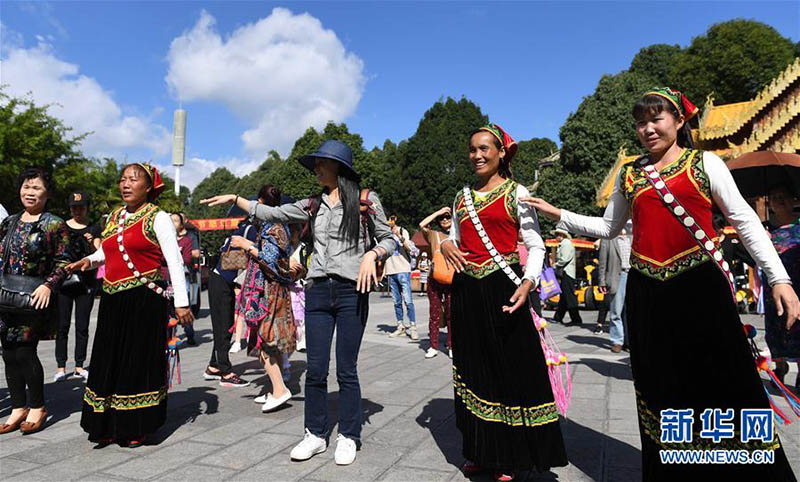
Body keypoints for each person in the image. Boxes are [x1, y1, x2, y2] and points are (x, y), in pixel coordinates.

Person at [522, 87, 800, 480]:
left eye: (657, 119)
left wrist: (779, 279)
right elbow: (608, 226)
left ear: (680, 121)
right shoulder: (631, 173)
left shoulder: (705, 164)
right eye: (641, 122)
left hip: (701, 290)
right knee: (661, 391)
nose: (648, 129)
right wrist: (558, 214)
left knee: (725, 387)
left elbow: (746, 222)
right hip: (647, 293)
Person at [201, 139, 395, 466]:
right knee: (316, 370)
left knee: (346, 370)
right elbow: (273, 212)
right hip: (318, 291)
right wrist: (237, 199)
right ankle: (314, 434)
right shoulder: (311, 204)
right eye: (316, 162)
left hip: (352, 293)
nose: (316, 168)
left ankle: (348, 435)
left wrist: (373, 254)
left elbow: (389, 238)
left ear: (339, 167)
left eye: (322, 162)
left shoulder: (365, 200)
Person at [441, 124, 567, 481]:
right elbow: (454, 238)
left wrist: (529, 282)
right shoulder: (461, 196)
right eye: (472, 149)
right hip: (468, 291)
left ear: (501, 153)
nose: (477, 155)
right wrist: (447, 245)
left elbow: (536, 243)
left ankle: (514, 454)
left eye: (484, 149)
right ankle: (482, 452)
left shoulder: (517, 192)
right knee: (473, 370)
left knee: (510, 368)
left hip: (505, 289)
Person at [69, 163, 194, 447]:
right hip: (113, 299)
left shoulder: (158, 217)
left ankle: (136, 425)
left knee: (137, 361)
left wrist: (182, 303)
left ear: (148, 187)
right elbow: (109, 249)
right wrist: (90, 260)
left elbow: (174, 260)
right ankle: (108, 423)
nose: (126, 184)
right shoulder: (114, 217)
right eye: (123, 179)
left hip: (144, 299)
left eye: (133, 179)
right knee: (109, 359)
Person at [0, 168, 69, 435]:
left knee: (25, 350)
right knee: (8, 351)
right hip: (6, 297)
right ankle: (18, 407)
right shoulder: (10, 222)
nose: (30, 192)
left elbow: (64, 262)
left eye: (36, 188)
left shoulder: (55, 224)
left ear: (47, 193)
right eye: (26, 187)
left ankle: (38, 406)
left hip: (34, 297)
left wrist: (48, 285)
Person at [231, 184, 297, 410]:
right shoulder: (280, 226)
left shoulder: (271, 228)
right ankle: (273, 389)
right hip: (276, 289)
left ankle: (280, 390)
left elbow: (268, 259)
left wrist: (244, 245)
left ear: (259, 203)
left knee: (265, 342)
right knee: (272, 342)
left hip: (267, 291)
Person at [204, 219, 258, 387]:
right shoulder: (251, 230)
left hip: (221, 279)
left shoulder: (244, 227)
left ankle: (214, 366)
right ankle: (226, 373)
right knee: (224, 327)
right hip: (222, 281)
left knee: (224, 325)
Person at [55, 191, 101, 382]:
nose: (78, 211)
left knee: (82, 325)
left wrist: (91, 242)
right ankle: (60, 366)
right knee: (62, 325)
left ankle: (79, 365)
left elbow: (99, 253)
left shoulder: (94, 227)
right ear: (70, 208)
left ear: (87, 208)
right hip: (65, 281)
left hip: (86, 282)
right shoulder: (61, 227)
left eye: (81, 207)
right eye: (74, 207)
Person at [763, 183, 800, 389]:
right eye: (775, 197)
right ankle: (780, 367)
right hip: (773, 289)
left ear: (794, 200)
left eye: (784, 196)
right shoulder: (763, 230)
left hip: (798, 285)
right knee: (776, 328)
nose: (780, 201)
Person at [418, 207, 454, 359]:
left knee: (452, 313)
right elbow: (422, 225)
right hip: (435, 278)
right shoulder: (433, 235)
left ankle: (452, 345)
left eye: (448, 217)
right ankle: (433, 346)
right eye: (442, 218)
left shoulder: (458, 235)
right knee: (434, 313)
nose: (445, 220)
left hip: (453, 278)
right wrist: (438, 212)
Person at [597, 225, 631, 353]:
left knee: (631, 311)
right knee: (616, 311)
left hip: (632, 276)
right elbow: (602, 262)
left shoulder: (632, 237)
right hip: (617, 277)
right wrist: (602, 281)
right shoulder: (608, 238)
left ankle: (629, 341)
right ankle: (617, 341)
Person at [385, 215, 418, 340]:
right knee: (396, 302)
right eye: (387, 219)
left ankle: (413, 327)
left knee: (408, 300)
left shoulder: (403, 230)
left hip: (403, 269)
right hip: (391, 270)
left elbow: (409, 247)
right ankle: (400, 326)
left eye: (391, 218)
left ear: (395, 219)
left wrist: (398, 235)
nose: (389, 221)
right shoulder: (384, 234)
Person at [171, 213, 197, 345]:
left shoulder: (186, 240)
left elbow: (187, 259)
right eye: (170, 221)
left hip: (182, 278)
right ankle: (171, 336)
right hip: (165, 278)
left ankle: (190, 333)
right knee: (169, 311)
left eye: (175, 221)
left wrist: (171, 258)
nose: (172, 223)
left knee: (184, 307)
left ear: (181, 225)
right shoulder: (161, 241)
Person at [552, 226, 582, 325]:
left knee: (569, 296)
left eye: (556, 234)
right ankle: (558, 317)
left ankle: (576, 319)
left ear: (561, 235)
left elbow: (564, 259)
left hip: (567, 272)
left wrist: (555, 265)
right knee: (565, 296)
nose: (555, 237)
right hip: (566, 272)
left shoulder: (566, 244)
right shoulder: (565, 244)